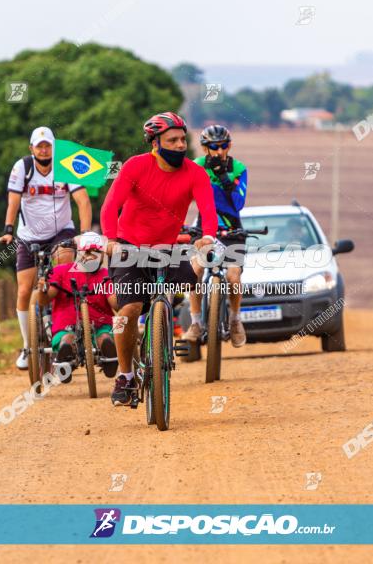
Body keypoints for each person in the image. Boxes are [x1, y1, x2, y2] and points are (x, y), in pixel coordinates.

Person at [100, 111, 218, 406]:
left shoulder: (195, 172)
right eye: (172, 140)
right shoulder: (136, 167)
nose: (180, 145)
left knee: (196, 269)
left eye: (182, 139)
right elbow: (110, 206)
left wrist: (208, 236)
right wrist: (110, 240)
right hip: (128, 247)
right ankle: (125, 376)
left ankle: (179, 318)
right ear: (155, 143)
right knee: (128, 310)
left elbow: (208, 210)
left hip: (166, 248)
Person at [0, 126, 93, 370]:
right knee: (23, 291)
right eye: (39, 146)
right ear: (31, 148)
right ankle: (28, 346)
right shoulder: (22, 167)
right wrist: (8, 229)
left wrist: (84, 236)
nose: (43, 150)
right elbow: (13, 201)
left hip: (61, 232)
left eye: (47, 145)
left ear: (54, 147)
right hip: (29, 235)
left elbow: (82, 201)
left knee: (63, 277)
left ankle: (68, 330)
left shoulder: (66, 166)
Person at [181, 124, 249, 347]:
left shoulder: (238, 168)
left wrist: (223, 177)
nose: (219, 151)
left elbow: (238, 204)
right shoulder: (197, 166)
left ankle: (235, 320)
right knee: (196, 270)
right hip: (205, 229)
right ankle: (196, 322)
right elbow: (182, 195)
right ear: (204, 148)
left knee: (233, 277)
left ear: (229, 146)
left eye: (223, 146)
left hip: (231, 230)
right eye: (213, 146)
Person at [40, 232, 118, 380]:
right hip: (67, 325)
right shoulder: (61, 271)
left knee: (105, 338)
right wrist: (42, 290)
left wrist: (122, 296)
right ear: (80, 252)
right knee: (67, 339)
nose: (92, 256)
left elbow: (114, 302)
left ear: (102, 255)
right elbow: (46, 298)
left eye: (96, 252)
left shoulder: (106, 275)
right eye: (87, 252)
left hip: (100, 324)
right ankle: (65, 358)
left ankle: (109, 357)